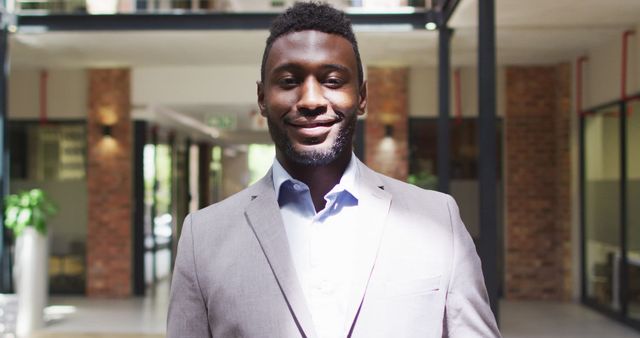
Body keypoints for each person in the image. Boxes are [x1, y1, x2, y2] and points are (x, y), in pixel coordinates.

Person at [167, 2, 501, 337]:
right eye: (288, 80)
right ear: (262, 98)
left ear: (362, 95)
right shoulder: (204, 237)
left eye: (332, 80)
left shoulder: (438, 219)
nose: (311, 100)